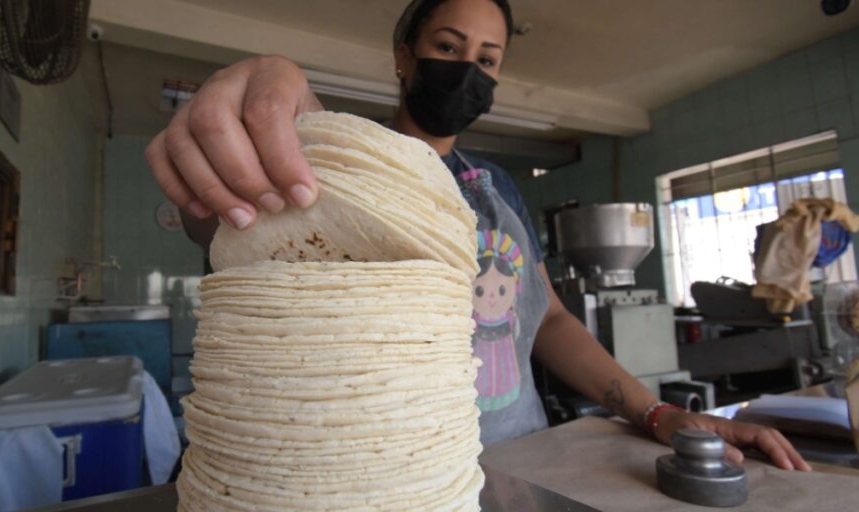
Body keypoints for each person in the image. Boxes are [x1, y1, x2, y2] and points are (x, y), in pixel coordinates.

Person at [145, 0, 810, 471]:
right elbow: (232, 226)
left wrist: (656, 414)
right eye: (448, 47)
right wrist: (257, 99)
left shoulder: (496, 186)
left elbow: (547, 318)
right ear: (404, 57)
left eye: (487, 58)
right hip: (390, 473)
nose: (468, 68)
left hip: (521, 461)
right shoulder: (338, 164)